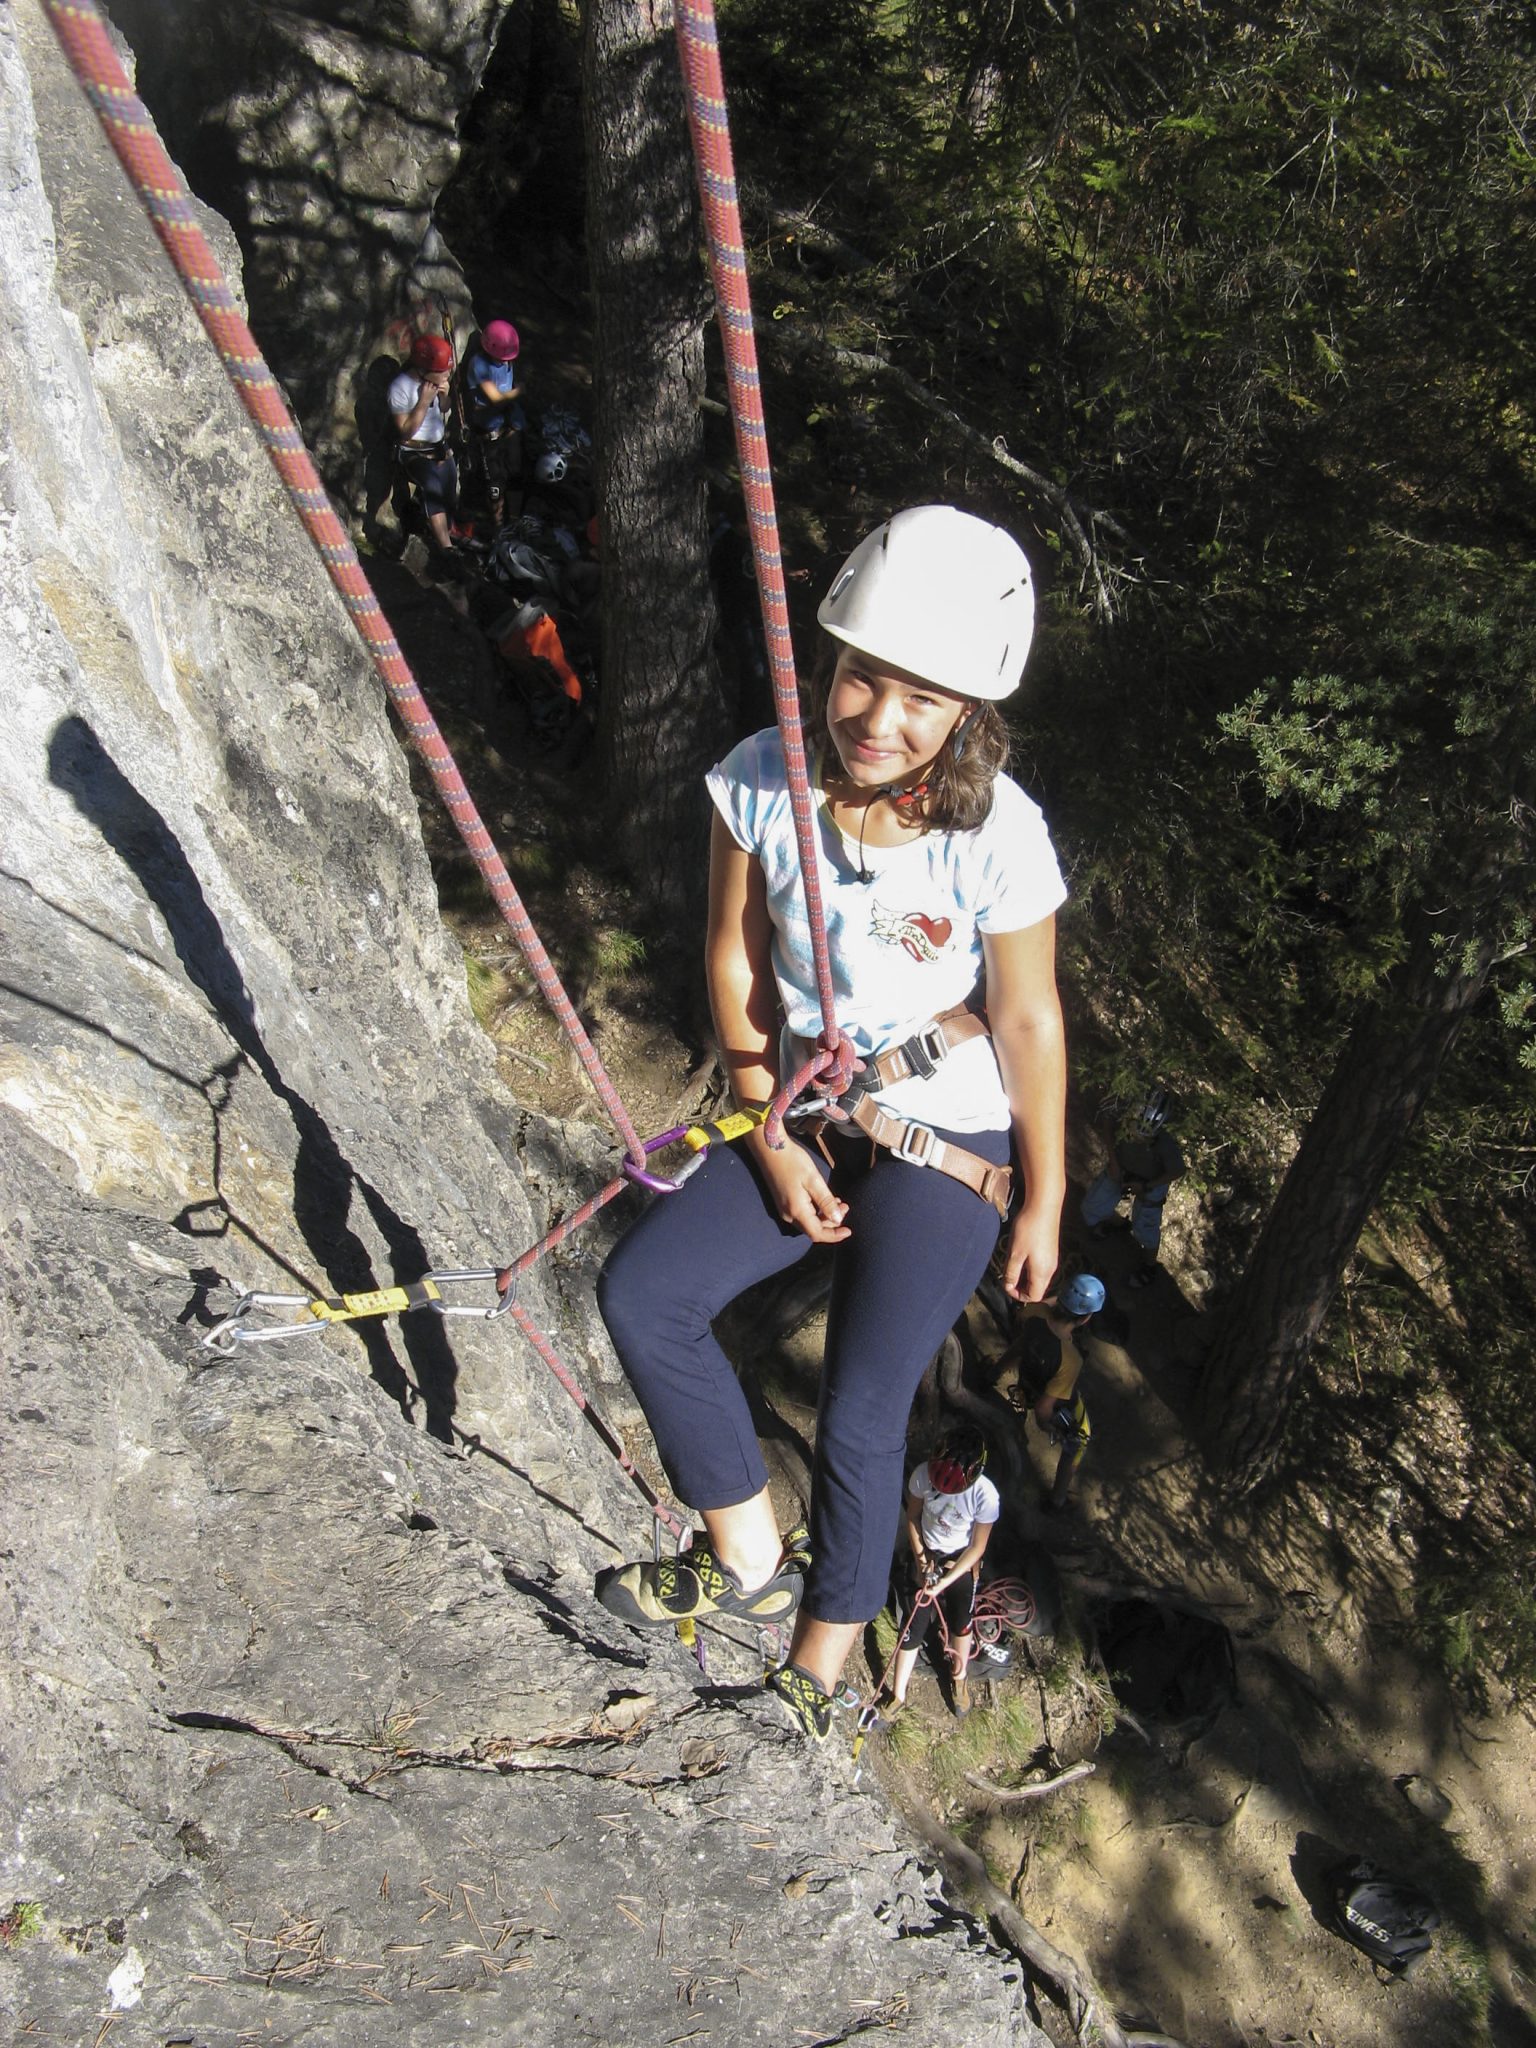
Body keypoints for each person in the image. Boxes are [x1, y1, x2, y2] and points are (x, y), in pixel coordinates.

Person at [593, 504, 1069, 1743]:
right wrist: (762, 1124)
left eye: (919, 698)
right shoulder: (764, 778)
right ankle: (743, 1542)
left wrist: (1048, 1195)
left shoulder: (995, 835)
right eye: (862, 676)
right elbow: (736, 956)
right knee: (646, 1291)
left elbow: (1028, 1023)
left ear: (967, 710)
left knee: (863, 1407)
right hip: (805, 1108)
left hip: (946, 1141)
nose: (876, 717)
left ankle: (819, 1660)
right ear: (829, 662)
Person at [886, 1428, 999, 1718]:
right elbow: (912, 1516)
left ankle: (959, 1680)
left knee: (962, 1620)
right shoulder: (923, 1476)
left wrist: (946, 1581)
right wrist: (923, 1561)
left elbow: (977, 1547)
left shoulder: (985, 1496)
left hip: (960, 1557)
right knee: (914, 1621)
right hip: (928, 1549)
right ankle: (897, 1694)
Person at [996, 1272, 1104, 1510]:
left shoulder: (1034, 1312)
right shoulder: (1071, 1359)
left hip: (1027, 1377)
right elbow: (1045, 1408)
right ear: (1085, 1319)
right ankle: (1057, 1499)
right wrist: (1050, 1427)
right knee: (1080, 1438)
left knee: (1020, 1347)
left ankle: (992, 1374)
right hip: (1046, 1398)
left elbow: (1021, 1341)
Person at [1080, 1084, 1185, 1287]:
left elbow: (1177, 1171)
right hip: (1121, 1166)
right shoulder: (1122, 1114)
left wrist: (1146, 1186)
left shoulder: (1165, 1142)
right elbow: (1107, 1122)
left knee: (1145, 1227)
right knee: (1091, 1207)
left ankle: (1149, 1266)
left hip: (1152, 1181)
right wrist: (1114, 1162)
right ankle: (1117, 1224)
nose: (1138, 1138)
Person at [388, 333, 460, 568]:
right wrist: (422, 401)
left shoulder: (438, 382)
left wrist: (444, 395)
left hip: (438, 447)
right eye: (442, 371)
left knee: (449, 487)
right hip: (413, 451)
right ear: (424, 368)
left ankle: (442, 533)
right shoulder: (401, 388)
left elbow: (445, 409)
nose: (446, 374)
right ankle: (447, 549)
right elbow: (405, 432)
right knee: (432, 486)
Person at [464, 318, 525, 528]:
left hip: (508, 425)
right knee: (495, 482)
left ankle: (515, 520)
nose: (503, 360)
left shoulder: (507, 361)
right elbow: (496, 397)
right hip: (488, 431)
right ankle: (498, 527)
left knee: (516, 471)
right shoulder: (479, 365)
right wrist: (520, 391)